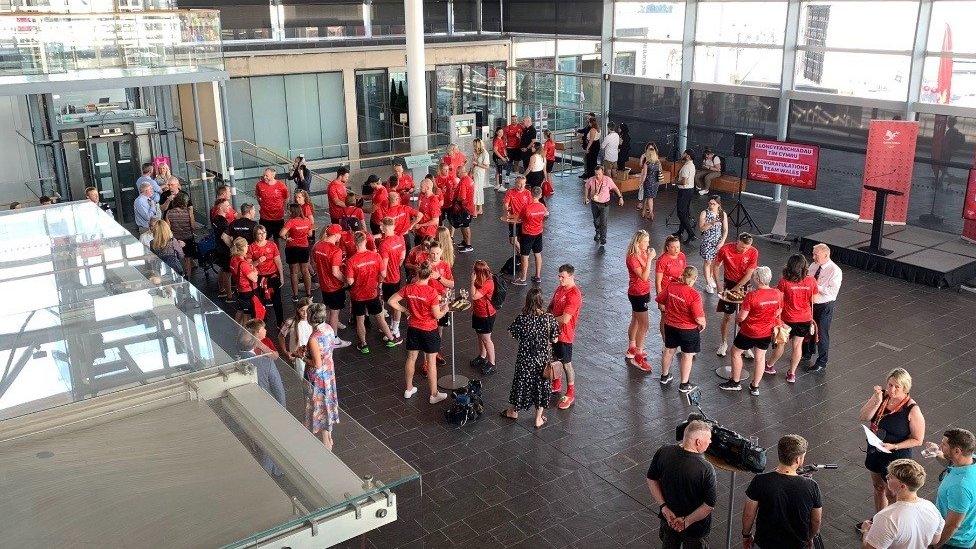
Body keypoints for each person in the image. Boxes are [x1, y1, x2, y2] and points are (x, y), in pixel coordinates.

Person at [859, 368, 926, 514]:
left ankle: (893, 521)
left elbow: (918, 440)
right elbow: (864, 416)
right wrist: (877, 401)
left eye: (897, 387)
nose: (892, 389)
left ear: (905, 388)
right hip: (876, 449)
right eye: (890, 385)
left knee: (892, 493)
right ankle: (879, 518)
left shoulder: (912, 409)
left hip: (896, 456)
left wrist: (895, 446)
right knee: (878, 487)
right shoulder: (882, 396)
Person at [742, 434, 823, 549]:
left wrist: (746, 535)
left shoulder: (760, 481)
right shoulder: (811, 486)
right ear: (798, 459)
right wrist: (810, 537)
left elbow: (748, 514)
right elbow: (816, 520)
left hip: (765, 544)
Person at [647, 419, 717, 549]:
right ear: (698, 442)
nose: (710, 442)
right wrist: (686, 522)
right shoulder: (706, 469)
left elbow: (651, 479)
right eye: (709, 439)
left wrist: (664, 507)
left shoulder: (664, 452)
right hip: (695, 529)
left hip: (668, 520)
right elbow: (709, 505)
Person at [387, 262, 449, 404]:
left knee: (411, 358)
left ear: (417, 274)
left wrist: (404, 310)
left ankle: (408, 389)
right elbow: (437, 315)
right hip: (429, 330)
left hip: (413, 328)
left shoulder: (409, 289)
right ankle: (434, 394)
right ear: (430, 275)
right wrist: (445, 308)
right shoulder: (432, 292)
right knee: (431, 362)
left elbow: (391, 301)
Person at [719, 266, 782, 396]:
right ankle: (755, 386)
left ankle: (735, 383)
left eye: (754, 277)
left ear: (758, 279)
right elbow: (778, 311)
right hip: (766, 332)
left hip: (749, 331)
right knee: (760, 357)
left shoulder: (752, 296)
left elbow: (742, 316)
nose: (752, 278)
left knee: (735, 352)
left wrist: (738, 320)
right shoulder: (777, 294)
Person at [500, 288, 559, 429]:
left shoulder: (522, 319)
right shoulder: (549, 319)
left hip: (525, 361)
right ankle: (538, 419)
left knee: (520, 385)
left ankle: (513, 412)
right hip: (542, 361)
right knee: (541, 388)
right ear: (541, 301)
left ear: (527, 301)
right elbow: (555, 339)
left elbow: (511, 333)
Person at [860, 459, 944, 549]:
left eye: (891, 477)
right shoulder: (931, 507)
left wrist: (866, 532)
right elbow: (935, 540)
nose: (887, 476)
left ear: (902, 486)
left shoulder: (887, 517)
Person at [345, 231, 399, 354]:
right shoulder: (376, 256)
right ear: (365, 241)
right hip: (373, 293)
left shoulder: (351, 261)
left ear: (354, 243)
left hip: (358, 296)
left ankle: (363, 344)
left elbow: (350, 281)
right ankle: (391, 338)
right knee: (380, 317)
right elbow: (383, 275)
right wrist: (377, 283)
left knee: (360, 320)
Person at [767, 254, 818, 383]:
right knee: (797, 346)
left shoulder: (784, 282)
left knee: (780, 345)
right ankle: (791, 374)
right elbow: (814, 300)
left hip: (786, 320)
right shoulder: (811, 281)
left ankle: (769, 366)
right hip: (804, 319)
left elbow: (779, 300)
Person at [657, 266, 706, 392]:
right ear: (695, 278)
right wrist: (703, 323)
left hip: (670, 325)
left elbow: (660, 300)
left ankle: (665, 376)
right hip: (688, 330)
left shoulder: (671, 286)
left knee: (668, 351)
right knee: (687, 356)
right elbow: (698, 318)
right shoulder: (694, 295)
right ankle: (684, 384)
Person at [927, 428, 976, 549]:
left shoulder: (960, 487)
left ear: (957, 451)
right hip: (967, 534)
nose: (940, 445)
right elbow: (950, 463)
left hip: (951, 542)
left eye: (943, 444)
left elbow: (953, 525)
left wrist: (935, 545)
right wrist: (938, 453)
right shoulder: (970, 460)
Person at [712, 232, 759, 357]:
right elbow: (715, 266)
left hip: (744, 285)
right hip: (729, 282)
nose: (744, 250)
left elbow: (749, 274)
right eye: (742, 247)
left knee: (745, 317)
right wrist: (718, 284)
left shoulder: (753, 252)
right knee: (727, 317)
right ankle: (724, 343)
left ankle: (745, 345)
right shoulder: (725, 249)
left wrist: (736, 289)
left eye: (747, 248)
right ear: (737, 242)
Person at [304, 303, 340, 451]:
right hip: (329, 372)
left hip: (318, 378)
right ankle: (329, 436)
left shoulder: (314, 337)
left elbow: (316, 364)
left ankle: (326, 442)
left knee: (319, 407)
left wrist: (302, 357)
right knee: (327, 404)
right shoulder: (329, 328)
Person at [804, 243, 842, 373]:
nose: (813, 257)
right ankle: (807, 352)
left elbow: (832, 291)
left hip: (824, 305)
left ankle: (822, 361)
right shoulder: (814, 265)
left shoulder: (835, 270)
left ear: (826, 254)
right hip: (811, 303)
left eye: (816, 254)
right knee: (808, 329)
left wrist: (815, 286)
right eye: (813, 254)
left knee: (822, 333)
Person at [549, 264, 582, 410]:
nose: (560, 279)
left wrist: (548, 318)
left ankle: (570, 393)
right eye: (559, 276)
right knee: (555, 359)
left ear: (571, 276)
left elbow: (566, 319)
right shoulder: (560, 288)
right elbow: (551, 306)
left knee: (567, 364)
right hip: (556, 333)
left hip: (565, 336)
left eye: (563, 277)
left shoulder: (574, 294)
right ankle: (556, 384)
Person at [312, 224, 351, 346]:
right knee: (334, 313)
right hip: (334, 286)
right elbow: (335, 272)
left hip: (324, 284)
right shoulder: (335, 250)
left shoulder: (317, 246)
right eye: (340, 234)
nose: (341, 236)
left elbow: (314, 264)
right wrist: (345, 280)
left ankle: (322, 332)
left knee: (329, 309)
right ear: (335, 235)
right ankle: (334, 339)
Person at [625, 230, 657, 371]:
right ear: (638, 243)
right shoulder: (632, 258)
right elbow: (644, 276)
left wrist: (648, 257)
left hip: (643, 291)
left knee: (636, 320)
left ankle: (632, 347)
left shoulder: (642, 253)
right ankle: (638, 356)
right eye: (646, 241)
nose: (648, 244)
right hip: (638, 293)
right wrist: (650, 259)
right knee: (644, 325)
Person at [249, 225, 285, 328]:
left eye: (264, 232)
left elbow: (278, 261)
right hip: (259, 278)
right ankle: (261, 324)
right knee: (261, 302)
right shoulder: (251, 247)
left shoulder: (272, 245)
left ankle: (280, 322)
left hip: (272, 276)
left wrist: (281, 276)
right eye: (259, 233)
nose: (262, 235)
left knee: (277, 301)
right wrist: (257, 261)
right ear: (255, 235)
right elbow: (249, 265)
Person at [378, 216, 407, 339]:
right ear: (393, 226)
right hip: (397, 276)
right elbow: (402, 256)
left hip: (388, 279)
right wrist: (396, 267)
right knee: (395, 302)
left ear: (382, 228)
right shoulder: (400, 239)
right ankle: (394, 326)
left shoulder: (384, 245)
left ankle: (395, 330)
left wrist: (380, 281)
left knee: (392, 303)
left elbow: (383, 270)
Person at [280, 203, 315, 301]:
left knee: (294, 273)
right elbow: (310, 233)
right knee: (305, 271)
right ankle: (309, 294)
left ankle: (295, 296)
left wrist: (287, 238)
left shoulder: (290, 222)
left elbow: (281, 234)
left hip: (292, 248)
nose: (287, 212)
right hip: (303, 247)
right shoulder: (307, 221)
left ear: (292, 211)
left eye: (288, 210)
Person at [583, 165, 624, 247]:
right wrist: (586, 197)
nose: (597, 176)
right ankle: (597, 232)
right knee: (596, 221)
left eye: (599, 174)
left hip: (605, 204)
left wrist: (620, 197)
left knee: (603, 222)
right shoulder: (591, 180)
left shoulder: (608, 180)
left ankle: (603, 238)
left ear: (603, 173)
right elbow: (586, 187)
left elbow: (615, 188)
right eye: (596, 174)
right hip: (594, 203)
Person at [515, 186, 548, 286]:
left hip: (527, 234)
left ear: (531, 194)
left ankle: (523, 278)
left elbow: (520, 219)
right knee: (538, 254)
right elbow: (545, 216)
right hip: (538, 233)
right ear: (541, 195)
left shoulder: (527, 208)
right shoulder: (543, 207)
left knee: (524, 256)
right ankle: (537, 276)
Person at [469, 260, 497, 375]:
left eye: (474, 271)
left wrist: (471, 282)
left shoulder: (488, 283)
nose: (472, 272)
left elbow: (474, 296)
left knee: (486, 339)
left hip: (486, 315)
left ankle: (492, 363)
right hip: (478, 313)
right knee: (480, 336)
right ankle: (482, 356)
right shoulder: (480, 280)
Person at [698, 196, 728, 294]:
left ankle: (710, 277)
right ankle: (708, 283)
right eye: (710, 203)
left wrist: (722, 241)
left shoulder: (722, 214)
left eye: (713, 204)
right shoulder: (704, 213)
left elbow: (725, 229)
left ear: (718, 204)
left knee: (715, 262)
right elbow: (702, 228)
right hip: (708, 240)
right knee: (708, 261)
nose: (711, 205)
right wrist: (711, 223)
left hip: (718, 242)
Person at [278, 297, 314, 375]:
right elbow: (281, 336)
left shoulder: (313, 322)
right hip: (297, 357)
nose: (305, 314)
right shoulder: (290, 322)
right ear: (298, 310)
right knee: (299, 376)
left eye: (307, 311)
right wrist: (285, 351)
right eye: (302, 310)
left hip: (311, 354)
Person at [164, 193, 196, 277]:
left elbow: (168, 229)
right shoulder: (188, 212)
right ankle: (187, 277)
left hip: (176, 239)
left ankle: (177, 276)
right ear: (184, 202)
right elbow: (193, 226)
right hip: (188, 238)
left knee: (176, 258)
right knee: (188, 259)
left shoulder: (169, 213)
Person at [255, 168, 289, 243]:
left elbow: (286, 198)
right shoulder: (259, 185)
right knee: (263, 238)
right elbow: (257, 196)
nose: (264, 177)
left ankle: (277, 253)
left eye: (267, 175)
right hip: (265, 218)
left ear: (273, 175)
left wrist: (285, 208)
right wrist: (261, 204)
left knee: (278, 238)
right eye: (264, 175)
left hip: (278, 218)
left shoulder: (281, 185)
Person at [229, 237, 257, 323]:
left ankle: (236, 329)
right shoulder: (243, 263)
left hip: (239, 289)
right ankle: (246, 333)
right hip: (247, 291)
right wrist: (254, 270)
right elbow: (254, 279)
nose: (248, 246)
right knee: (247, 315)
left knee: (240, 310)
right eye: (246, 245)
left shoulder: (233, 260)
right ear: (243, 247)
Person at [673, 149, 698, 244]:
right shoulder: (692, 165)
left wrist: (674, 182)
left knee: (681, 213)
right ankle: (680, 231)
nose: (682, 154)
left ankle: (691, 234)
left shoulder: (686, 167)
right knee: (685, 212)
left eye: (684, 153)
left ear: (688, 156)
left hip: (684, 191)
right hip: (690, 190)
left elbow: (684, 182)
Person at [504, 175, 532, 249]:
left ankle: (520, 256)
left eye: (523, 184)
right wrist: (506, 209)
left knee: (521, 239)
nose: (522, 186)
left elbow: (530, 206)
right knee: (512, 240)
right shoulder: (510, 192)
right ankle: (522, 253)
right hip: (513, 220)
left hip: (524, 220)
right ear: (515, 183)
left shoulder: (528, 193)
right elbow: (506, 203)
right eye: (520, 184)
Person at [453, 165, 476, 252]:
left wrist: (455, 200)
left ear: (460, 172)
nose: (456, 174)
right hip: (468, 206)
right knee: (463, 225)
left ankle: (469, 245)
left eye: (457, 173)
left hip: (465, 207)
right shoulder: (468, 179)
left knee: (466, 226)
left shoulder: (463, 182)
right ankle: (465, 241)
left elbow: (462, 197)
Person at [415, 176, 442, 243]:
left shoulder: (433, 201)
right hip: (420, 232)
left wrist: (420, 225)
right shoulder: (424, 197)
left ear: (427, 188)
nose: (420, 188)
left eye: (421, 187)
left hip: (428, 234)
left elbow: (435, 221)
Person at [639, 144, 662, 220]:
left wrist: (641, 183)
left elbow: (645, 174)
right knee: (650, 197)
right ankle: (644, 211)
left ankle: (651, 213)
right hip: (656, 182)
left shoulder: (647, 163)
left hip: (648, 182)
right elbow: (660, 171)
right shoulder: (658, 162)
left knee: (649, 198)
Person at [471, 138, 490, 215]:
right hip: (475, 172)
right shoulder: (476, 152)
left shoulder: (485, 153)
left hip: (480, 173)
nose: (473, 146)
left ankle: (476, 209)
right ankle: (479, 209)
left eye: (475, 145)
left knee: (476, 190)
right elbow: (474, 163)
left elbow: (487, 166)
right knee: (477, 190)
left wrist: (477, 164)